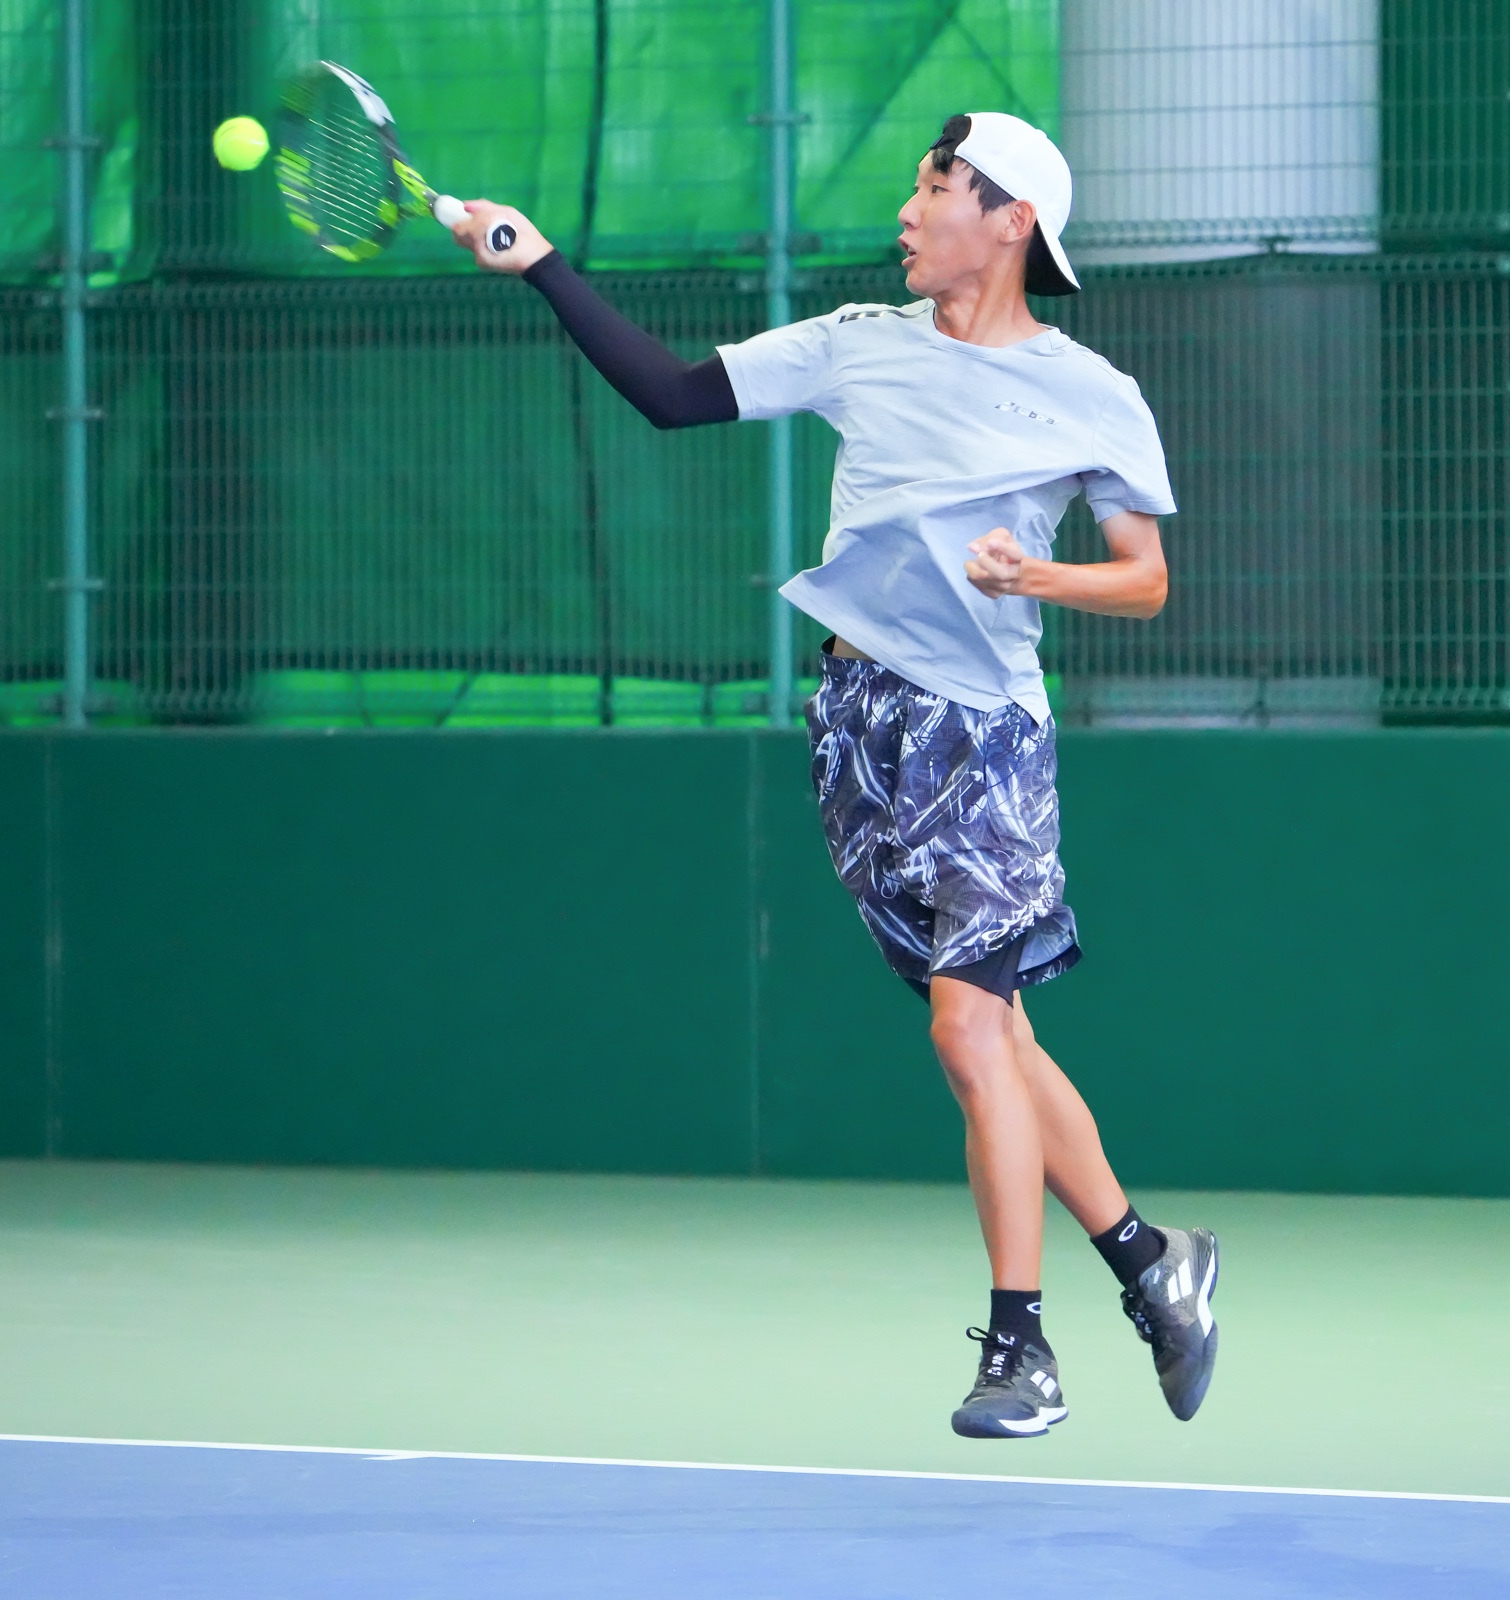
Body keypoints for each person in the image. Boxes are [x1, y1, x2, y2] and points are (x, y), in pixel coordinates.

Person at [449, 111, 1217, 1439]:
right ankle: (1153, 1264)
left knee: (966, 1030)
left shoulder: (1094, 391)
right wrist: (543, 265)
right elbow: (670, 395)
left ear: (1012, 221)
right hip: (860, 726)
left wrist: (1035, 575)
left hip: (985, 734)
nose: (909, 211)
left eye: (937, 187)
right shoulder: (858, 343)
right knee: (997, 1038)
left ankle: (1023, 1348)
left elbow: (1144, 579)